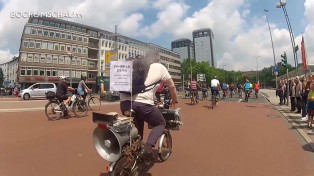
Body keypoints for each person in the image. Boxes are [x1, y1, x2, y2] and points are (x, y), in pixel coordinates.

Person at [119, 50, 178, 164]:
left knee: (138, 127)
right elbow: (172, 86)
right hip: (142, 104)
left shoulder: (137, 66)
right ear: (158, 59)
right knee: (160, 123)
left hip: (125, 104)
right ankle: (147, 149)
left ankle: (135, 152)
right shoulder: (159, 67)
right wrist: (174, 99)